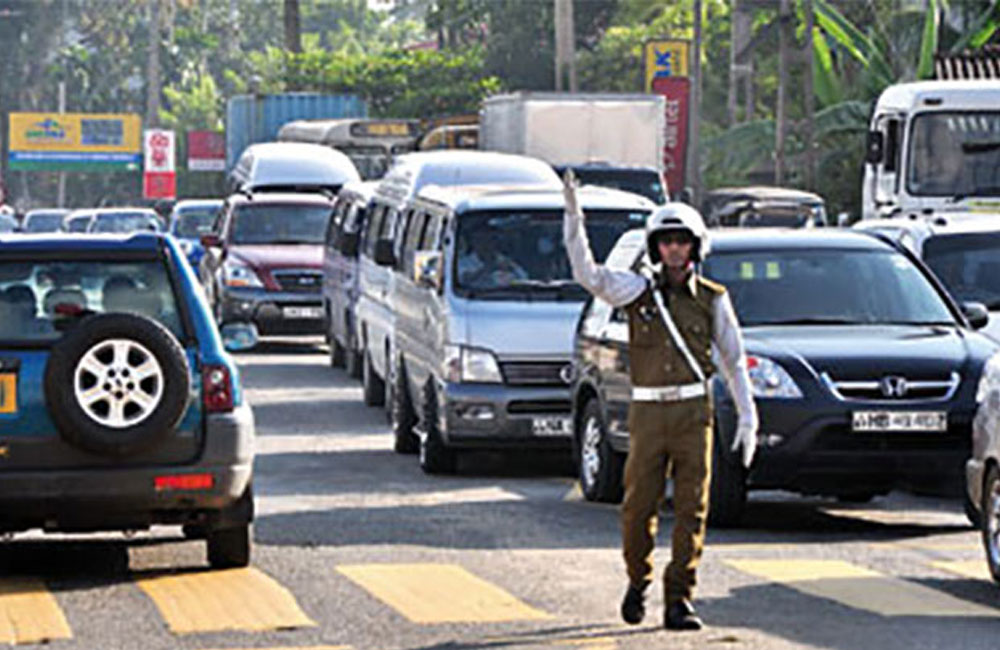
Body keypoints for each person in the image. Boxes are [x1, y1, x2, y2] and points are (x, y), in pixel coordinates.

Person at [562, 170, 758, 631]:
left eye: (682, 241)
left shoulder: (713, 299)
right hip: (648, 411)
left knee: (693, 508)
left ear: (695, 246)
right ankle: (638, 579)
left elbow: (733, 359)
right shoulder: (637, 291)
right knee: (637, 508)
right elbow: (586, 274)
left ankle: (679, 599)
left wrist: (748, 417)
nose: (674, 249)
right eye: (666, 241)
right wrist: (574, 218)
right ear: (655, 247)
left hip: (693, 411)